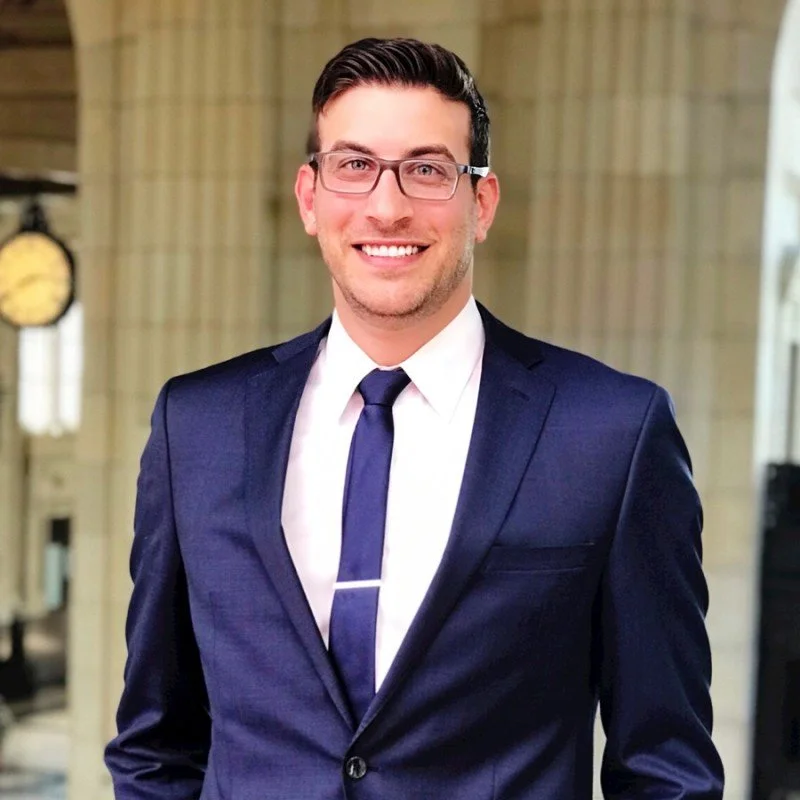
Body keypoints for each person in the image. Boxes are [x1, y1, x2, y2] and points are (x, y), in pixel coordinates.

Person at [105, 37, 725, 799]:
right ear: (310, 196)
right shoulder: (194, 428)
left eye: (428, 170)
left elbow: (665, 766)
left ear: (482, 201)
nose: (387, 204)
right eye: (353, 165)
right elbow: (154, 746)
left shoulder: (612, 434)